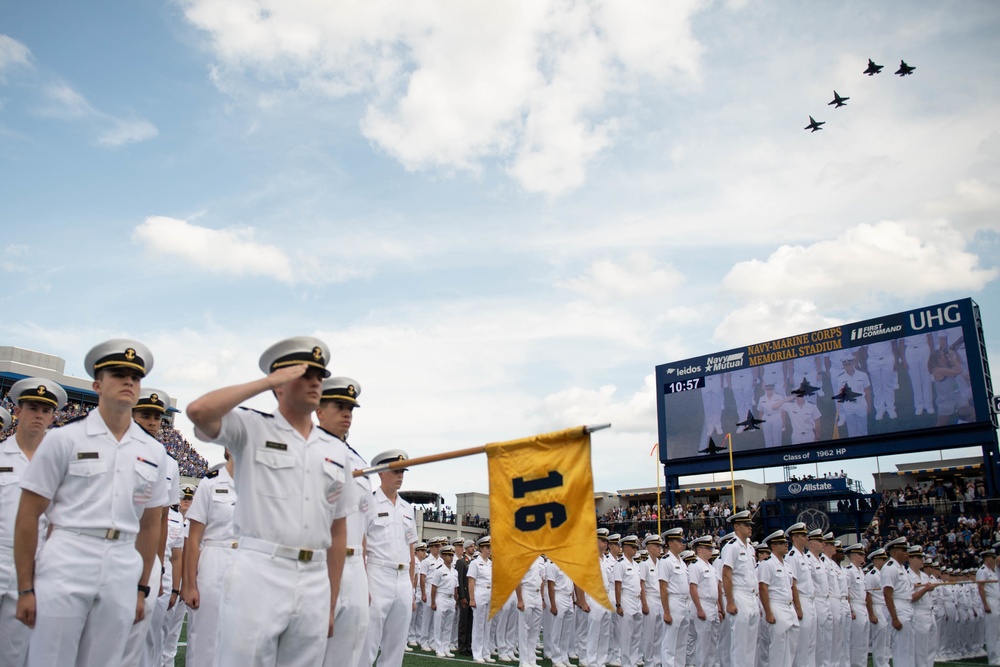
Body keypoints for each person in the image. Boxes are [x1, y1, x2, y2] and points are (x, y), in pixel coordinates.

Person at [187, 336, 356, 667]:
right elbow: (198, 411)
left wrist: (332, 601)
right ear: (280, 383)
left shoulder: (336, 451)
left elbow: (338, 531)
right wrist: (265, 383)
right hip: (259, 572)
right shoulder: (252, 427)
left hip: (314, 580)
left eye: (319, 376)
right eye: (304, 375)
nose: (315, 383)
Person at [15, 340, 169, 667]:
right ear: (97, 384)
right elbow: (28, 515)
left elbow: (150, 523)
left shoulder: (155, 453)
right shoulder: (64, 439)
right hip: (69, 554)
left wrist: (142, 587)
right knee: (50, 658)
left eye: (134, 377)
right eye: (118, 374)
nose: (128, 381)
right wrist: (26, 588)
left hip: (123, 563)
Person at [0, 379, 67, 667]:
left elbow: (58, 520)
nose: (38, 414)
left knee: (15, 653)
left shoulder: (59, 464)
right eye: (32, 408)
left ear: (53, 417)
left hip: (32, 564)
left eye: (45, 410)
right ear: (17, 410)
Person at [122, 387, 182, 667]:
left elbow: (160, 519)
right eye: (145, 416)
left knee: (146, 637)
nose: (152, 423)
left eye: (157, 418)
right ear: (132, 415)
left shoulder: (169, 463)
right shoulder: (117, 450)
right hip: (116, 547)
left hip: (148, 557)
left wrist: (157, 567)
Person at [316, 377, 372, 667]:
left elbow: (362, 523)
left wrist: (363, 574)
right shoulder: (306, 450)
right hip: (317, 563)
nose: (347, 413)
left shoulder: (359, 463)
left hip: (354, 568)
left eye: (350, 407)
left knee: (349, 653)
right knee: (308, 652)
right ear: (319, 410)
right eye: (339, 406)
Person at [360, 449, 418, 667]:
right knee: (368, 643)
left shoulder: (407, 508)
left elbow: (411, 548)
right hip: (377, 575)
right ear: (381, 473)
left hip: (403, 578)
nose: (400, 476)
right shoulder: (368, 503)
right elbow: (361, 545)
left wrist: (411, 587)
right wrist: (363, 584)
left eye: (403, 471)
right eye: (395, 471)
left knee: (396, 645)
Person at [182, 454, 237, 667]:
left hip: (247, 564)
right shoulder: (210, 483)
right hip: (215, 559)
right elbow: (193, 539)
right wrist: (189, 585)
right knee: (205, 640)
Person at [720, 510, 759, 667]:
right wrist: (730, 602)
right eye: (746, 525)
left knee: (751, 645)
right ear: (736, 526)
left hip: (751, 597)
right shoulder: (732, 547)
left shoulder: (750, 548)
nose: (750, 528)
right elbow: (726, 575)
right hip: (739, 596)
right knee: (739, 645)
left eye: (750, 525)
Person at [758, 530, 800, 667]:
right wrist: (768, 612)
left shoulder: (787, 566)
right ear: (773, 546)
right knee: (778, 648)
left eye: (786, 542)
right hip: (776, 606)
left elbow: (792, 587)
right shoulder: (767, 564)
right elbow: (763, 588)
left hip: (789, 607)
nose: (786, 545)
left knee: (791, 646)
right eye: (782, 543)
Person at [687, 534, 720, 667]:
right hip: (703, 604)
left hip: (713, 605)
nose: (710, 551)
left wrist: (719, 608)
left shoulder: (711, 567)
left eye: (711, 548)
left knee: (713, 641)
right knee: (703, 641)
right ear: (699, 550)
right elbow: (693, 588)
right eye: (707, 548)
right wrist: (699, 608)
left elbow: (715, 590)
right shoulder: (695, 566)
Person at [881, 537, 915, 667]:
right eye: (903, 550)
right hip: (898, 607)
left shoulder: (901, 568)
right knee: (901, 647)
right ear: (894, 552)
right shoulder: (890, 568)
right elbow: (887, 594)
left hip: (906, 606)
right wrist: (894, 618)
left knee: (909, 647)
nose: (907, 553)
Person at [615, 535, 645, 667]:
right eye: (633, 547)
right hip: (626, 598)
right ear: (626, 547)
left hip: (637, 600)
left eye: (636, 547)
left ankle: (633, 661)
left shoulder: (636, 565)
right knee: (626, 635)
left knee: (636, 634)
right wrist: (618, 604)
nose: (635, 550)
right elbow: (618, 585)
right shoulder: (620, 564)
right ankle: (626, 663)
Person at [468, 535, 494, 664]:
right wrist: (472, 599)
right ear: (482, 548)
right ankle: (477, 653)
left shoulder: (490, 564)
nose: (490, 550)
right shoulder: (475, 563)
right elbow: (471, 581)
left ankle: (486, 652)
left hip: (490, 594)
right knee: (478, 625)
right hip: (479, 593)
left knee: (487, 626)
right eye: (488, 547)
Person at [516, 554, 546, 667]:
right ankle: (523, 661)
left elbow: (542, 579)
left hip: (537, 593)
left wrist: (542, 598)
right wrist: (519, 599)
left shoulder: (541, 559)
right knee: (524, 628)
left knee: (535, 629)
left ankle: (532, 659)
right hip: (526, 591)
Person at [430, 544, 459, 657]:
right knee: (439, 625)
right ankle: (438, 647)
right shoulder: (439, 570)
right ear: (442, 556)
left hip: (451, 598)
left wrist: (455, 600)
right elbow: (434, 587)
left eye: (452, 555)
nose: (450, 557)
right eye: (448, 555)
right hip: (441, 597)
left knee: (448, 625)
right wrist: (433, 602)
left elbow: (456, 588)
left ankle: (446, 647)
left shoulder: (455, 571)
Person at [975, 548, 999, 665]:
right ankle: (993, 659)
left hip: (997, 601)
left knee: (998, 631)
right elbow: (981, 588)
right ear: (987, 558)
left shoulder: (993, 572)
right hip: (990, 602)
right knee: (992, 632)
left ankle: (998, 656)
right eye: (992, 558)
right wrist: (985, 605)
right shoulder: (982, 571)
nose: (994, 560)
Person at [456, 539, 475, 655]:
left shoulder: (474, 562)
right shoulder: (461, 562)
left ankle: (469, 645)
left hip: (472, 596)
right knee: (463, 622)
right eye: (471, 546)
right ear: (466, 548)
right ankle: (462, 646)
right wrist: (462, 597)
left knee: (471, 622)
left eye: (474, 546)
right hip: (465, 596)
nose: (473, 548)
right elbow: (460, 581)